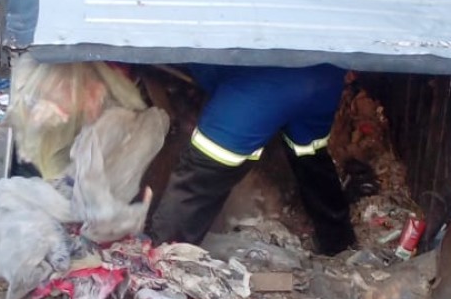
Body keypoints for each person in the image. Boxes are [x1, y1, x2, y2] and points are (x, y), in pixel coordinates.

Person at [149, 63, 356, 256]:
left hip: (259, 89)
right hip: (325, 78)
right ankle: (340, 245)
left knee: (195, 183)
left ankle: (159, 264)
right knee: (310, 155)